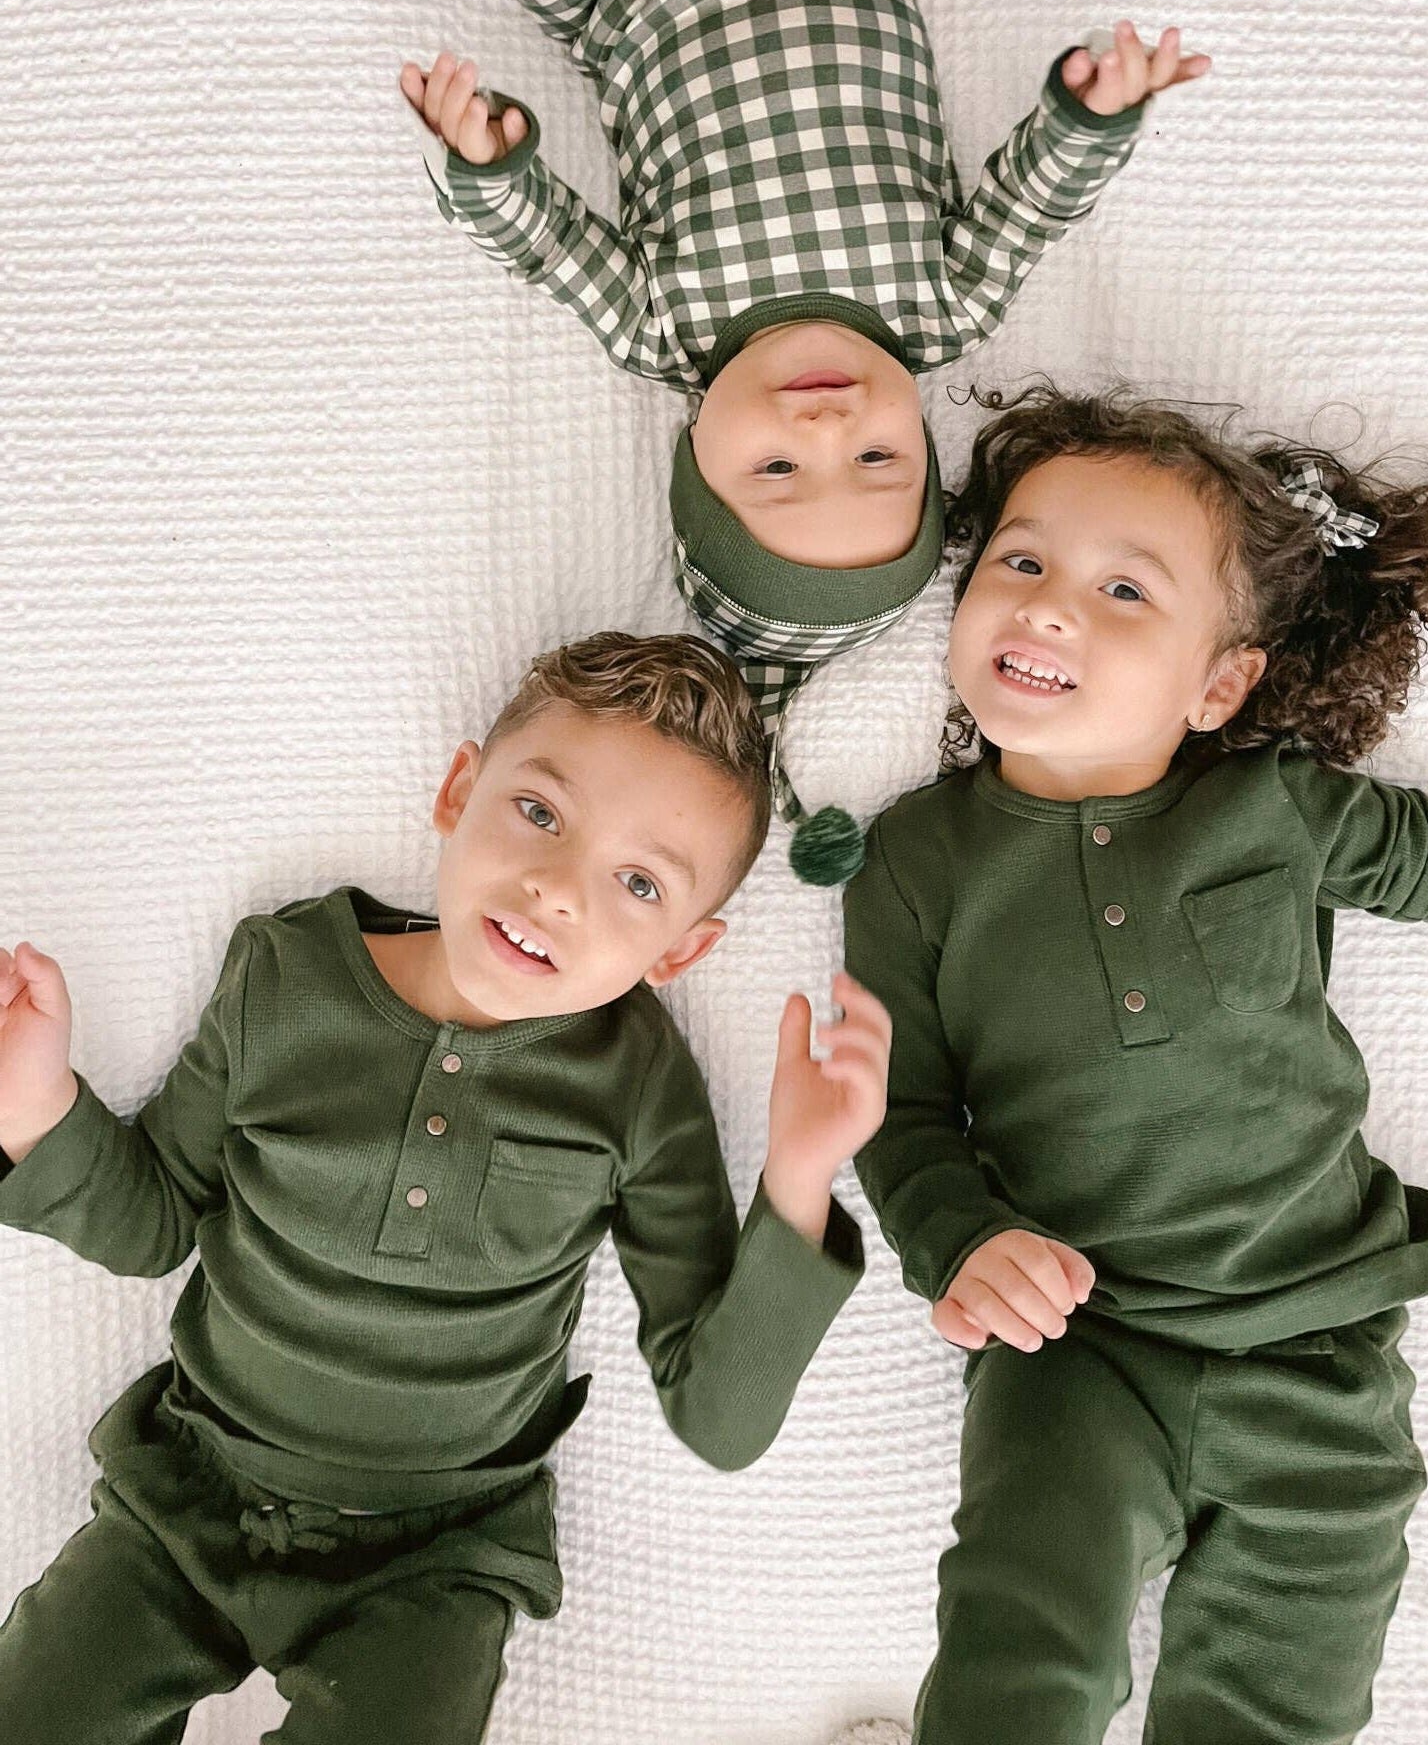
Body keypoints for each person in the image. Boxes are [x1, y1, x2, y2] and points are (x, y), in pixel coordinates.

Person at [0, 632, 890, 1745]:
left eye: (638, 881)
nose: (558, 889)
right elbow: (153, 1218)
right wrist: (36, 1104)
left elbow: (715, 1409)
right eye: (539, 812)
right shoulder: (284, 973)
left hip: (435, 1551)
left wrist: (800, 1177)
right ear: (459, 790)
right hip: (189, 1488)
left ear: (681, 949)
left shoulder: (637, 1081)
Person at [398, 0, 1209, 879]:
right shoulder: (940, 306)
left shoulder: (664, 329)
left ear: (695, 454)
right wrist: (1089, 115)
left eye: (777, 472)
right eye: (880, 455)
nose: (828, 430)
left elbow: (542, 244)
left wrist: (487, 162)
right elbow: (1031, 204)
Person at [844, 380, 1428, 1744]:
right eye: (1019, 561)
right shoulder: (917, 858)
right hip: (1078, 1349)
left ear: (1222, 684)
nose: (1048, 606)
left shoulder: (1276, 812)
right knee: (1022, 1655)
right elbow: (898, 1115)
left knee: (1287, 1689)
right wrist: (959, 1242)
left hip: (1315, 1336)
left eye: (1124, 593)